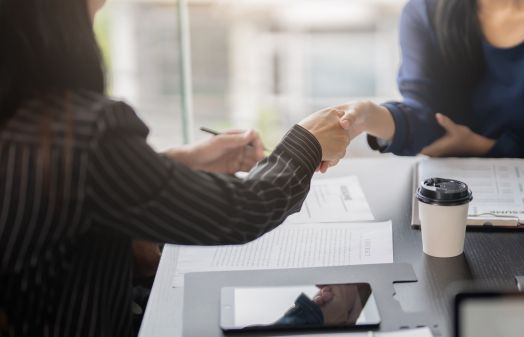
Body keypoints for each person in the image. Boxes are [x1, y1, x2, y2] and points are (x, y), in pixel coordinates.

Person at [0, 0, 351, 336]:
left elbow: (57, 189)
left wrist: (184, 161)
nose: (102, 5)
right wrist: (309, 139)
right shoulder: (82, 130)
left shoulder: (23, 119)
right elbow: (243, 210)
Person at [337, 0, 524, 159]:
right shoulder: (425, 12)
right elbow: (423, 117)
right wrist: (371, 116)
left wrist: (485, 147)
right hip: (447, 199)